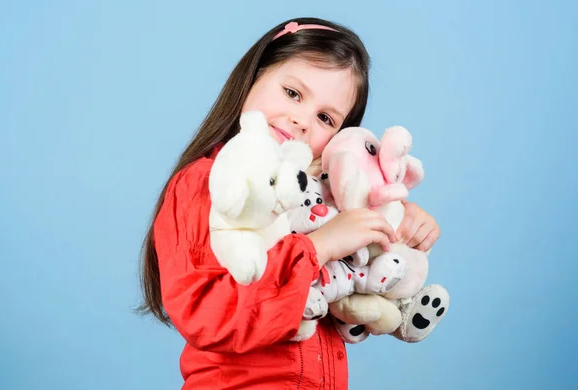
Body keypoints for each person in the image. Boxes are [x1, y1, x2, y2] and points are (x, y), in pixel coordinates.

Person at [138, 17, 441, 390]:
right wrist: (319, 246)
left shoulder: (317, 201)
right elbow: (205, 312)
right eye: (293, 93)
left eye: (325, 118)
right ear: (254, 76)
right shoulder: (208, 183)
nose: (301, 120)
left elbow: (355, 286)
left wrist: (397, 222)